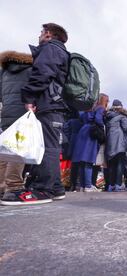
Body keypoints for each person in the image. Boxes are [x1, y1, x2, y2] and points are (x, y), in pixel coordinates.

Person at [21, 23, 70, 201]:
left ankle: (43, 190)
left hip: (49, 104)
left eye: (41, 32)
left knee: (47, 147)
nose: (40, 35)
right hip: (55, 105)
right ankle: (56, 188)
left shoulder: (51, 49)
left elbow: (42, 73)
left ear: (48, 34)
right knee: (51, 146)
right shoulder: (59, 50)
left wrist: (29, 97)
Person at [0, 50, 51, 205]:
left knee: (5, 150)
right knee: (19, 150)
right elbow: (34, 91)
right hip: (22, 114)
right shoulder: (30, 71)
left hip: (6, 114)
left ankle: (2, 186)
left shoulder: (4, 73)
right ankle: (14, 186)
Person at [71, 95, 107, 192]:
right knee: (88, 161)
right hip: (91, 133)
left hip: (83, 132)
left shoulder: (88, 109)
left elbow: (81, 117)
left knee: (82, 162)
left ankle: (83, 186)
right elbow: (98, 119)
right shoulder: (100, 108)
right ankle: (88, 185)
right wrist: (103, 125)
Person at [105, 99, 127, 191]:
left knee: (111, 164)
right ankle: (118, 184)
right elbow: (126, 129)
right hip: (120, 143)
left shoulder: (107, 116)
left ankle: (110, 185)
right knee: (120, 164)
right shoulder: (122, 117)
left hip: (110, 143)